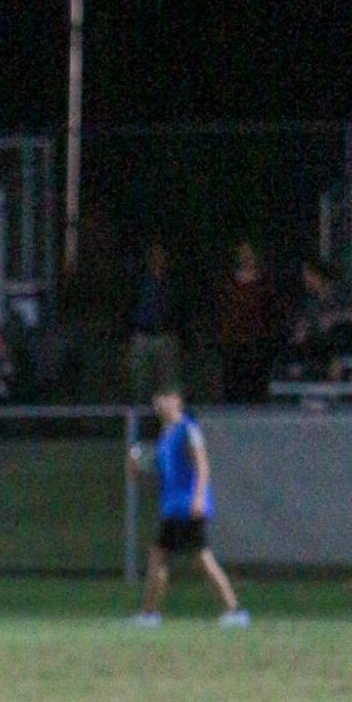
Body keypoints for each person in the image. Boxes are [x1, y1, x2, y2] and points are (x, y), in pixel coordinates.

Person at [130, 389, 250, 627]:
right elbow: (160, 478)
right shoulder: (165, 436)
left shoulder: (188, 429)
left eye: (164, 397)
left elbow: (202, 465)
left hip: (187, 506)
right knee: (163, 556)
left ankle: (233, 611)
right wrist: (136, 472)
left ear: (177, 401)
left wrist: (197, 498)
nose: (158, 402)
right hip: (172, 508)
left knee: (198, 558)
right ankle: (149, 614)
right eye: (156, 398)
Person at [214, 240, 275, 402]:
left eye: (249, 254)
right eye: (243, 254)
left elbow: (269, 311)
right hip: (232, 341)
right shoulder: (229, 282)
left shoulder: (264, 282)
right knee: (233, 385)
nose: (246, 258)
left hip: (256, 342)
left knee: (255, 385)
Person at [127, 239, 183, 404]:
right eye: (153, 254)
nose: (157, 258)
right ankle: (139, 426)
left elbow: (180, 308)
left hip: (166, 337)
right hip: (142, 336)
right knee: (139, 387)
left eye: (160, 254)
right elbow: (129, 305)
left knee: (168, 388)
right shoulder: (138, 279)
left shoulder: (173, 281)